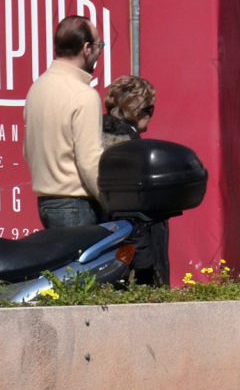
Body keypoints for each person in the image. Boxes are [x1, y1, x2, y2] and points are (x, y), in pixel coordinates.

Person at [23, 15, 107, 228]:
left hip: (46, 203)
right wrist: (112, 203)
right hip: (78, 205)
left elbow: (28, 150)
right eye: (100, 45)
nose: (100, 51)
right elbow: (90, 163)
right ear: (86, 48)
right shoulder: (83, 95)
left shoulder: (38, 88)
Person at [102, 74, 169, 286]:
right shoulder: (126, 148)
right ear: (137, 110)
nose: (151, 115)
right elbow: (128, 210)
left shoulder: (96, 131)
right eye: (150, 109)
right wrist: (144, 263)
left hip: (108, 242)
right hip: (130, 251)